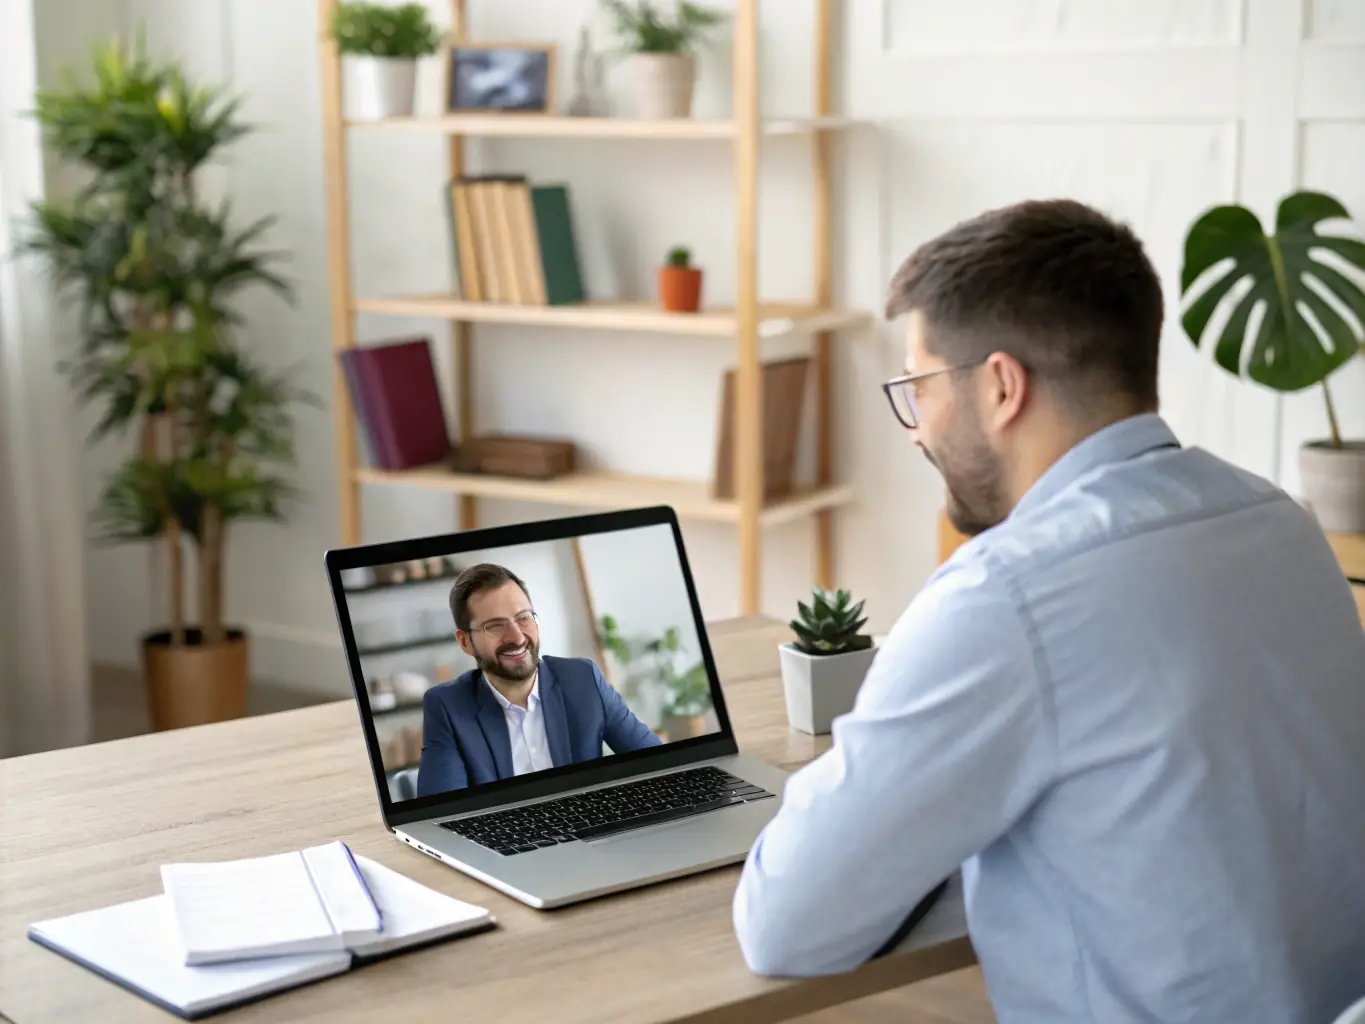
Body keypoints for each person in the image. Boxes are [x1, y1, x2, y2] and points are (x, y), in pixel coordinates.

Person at [731, 199, 1365, 1022]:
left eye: (918, 388)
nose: (915, 431)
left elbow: (786, 924)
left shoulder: (1005, 594)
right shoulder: (1276, 520)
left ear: (1000, 386)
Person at [417, 562, 660, 796]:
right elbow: (440, 813)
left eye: (523, 618)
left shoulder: (582, 679)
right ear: (465, 642)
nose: (517, 637)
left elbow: (657, 763)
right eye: (495, 626)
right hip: (507, 834)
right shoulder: (447, 706)